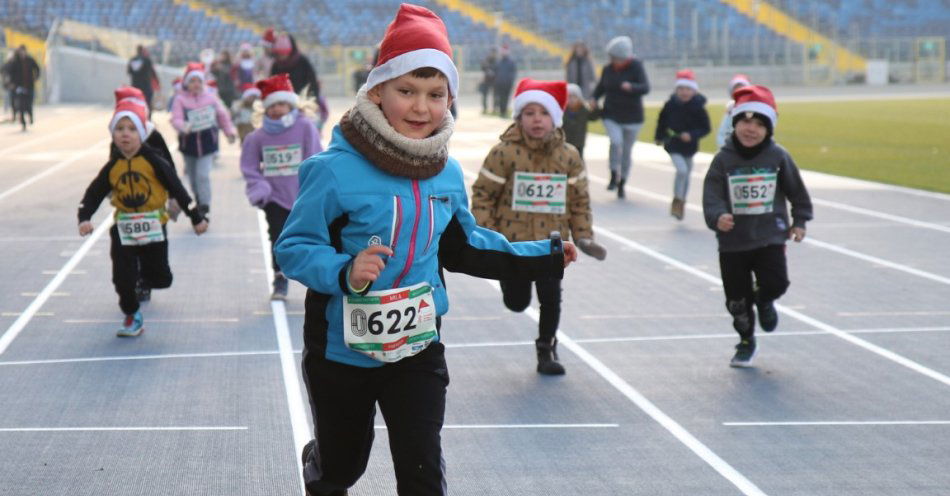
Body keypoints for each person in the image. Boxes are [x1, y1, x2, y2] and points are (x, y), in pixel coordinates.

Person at [273, 5, 576, 494]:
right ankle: (324, 463)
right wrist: (345, 270)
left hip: (417, 345)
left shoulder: (447, 172)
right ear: (377, 90)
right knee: (343, 468)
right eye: (407, 91)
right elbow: (294, 247)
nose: (421, 108)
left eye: (436, 95)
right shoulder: (332, 170)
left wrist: (542, 257)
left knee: (421, 472)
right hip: (341, 349)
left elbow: (463, 247)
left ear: (451, 98)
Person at [471, 78, 606, 375]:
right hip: (514, 242)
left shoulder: (569, 156)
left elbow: (579, 200)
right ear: (519, 118)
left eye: (543, 113)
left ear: (555, 118)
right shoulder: (503, 153)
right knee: (517, 302)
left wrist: (583, 236)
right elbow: (483, 195)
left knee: (551, 297)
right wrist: (487, 234)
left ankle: (546, 348)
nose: (536, 119)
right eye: (529, 113)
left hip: (551, 242)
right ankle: (512, 287)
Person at [77, 95, 208, 337]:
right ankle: (132, 313)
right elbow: (94, 192)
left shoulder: (154, 161)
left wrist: (196, 216)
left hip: (154, 225)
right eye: (119, 129)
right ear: (113, 135)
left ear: (141, 134)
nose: (125, 134)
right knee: (122, 277)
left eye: (131, 129)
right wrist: (84, 217)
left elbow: (177, 188)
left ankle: (147, 278)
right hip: (124, 226)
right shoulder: (112, 166)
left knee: (160, 277)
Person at [702, 85, 813, 368]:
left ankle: (764, 300)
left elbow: (797, 192)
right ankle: (746, 340)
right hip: (733, 241)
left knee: (776, 283)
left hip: (770, 236)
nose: (751, 129)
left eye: (759, 125)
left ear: (768, 129)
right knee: (737, 302)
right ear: (735, 124)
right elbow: (711, 195)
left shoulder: (778, 157)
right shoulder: (723, 160)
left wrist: (799, 221)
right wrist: (718, 217)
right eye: (745, 122)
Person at [240, 73, 321, 300]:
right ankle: (280, 278)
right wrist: (260, 187)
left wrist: (314, 188)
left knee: (309, 238)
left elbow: (315, 157)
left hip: (301, 197)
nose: (277, 110)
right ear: (264, 108)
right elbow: (249, 166)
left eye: (281, 104)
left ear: (291, 104)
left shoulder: (305, 127)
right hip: (274, 198)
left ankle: (314, 277)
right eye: (272, 105)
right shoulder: (258, 137)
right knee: (277, 238)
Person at [170, 62, 237, 217]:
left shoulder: (211, 98)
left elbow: (222, 116)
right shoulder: (180, 100)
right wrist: (183, 126)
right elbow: (175, 119)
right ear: (187, 83)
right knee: (193, 178)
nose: (196, 84)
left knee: (203, 175)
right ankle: (199, 199)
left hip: (207, 143)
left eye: (199, 81)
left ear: (203, 82)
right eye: (192, 81)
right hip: (189, 144)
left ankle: (205, 205)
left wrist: (229, 132)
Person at [591, 35, 650, 199]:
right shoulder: (608, 69)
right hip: (612, 113)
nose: (613, 61)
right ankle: (613, 172)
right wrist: (594, 98)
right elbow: (601, 87)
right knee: (615, 142)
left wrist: (631, 87)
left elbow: (645, 87)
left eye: (616, 58)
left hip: (633, 117)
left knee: (627, 151)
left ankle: (623, 181)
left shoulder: (637, 67)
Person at [654, 69, 710, 220]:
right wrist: (659, 137)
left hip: (690, 147)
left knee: (687, 174)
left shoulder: (698, 107)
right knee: (682, 170)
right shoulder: (670, 105)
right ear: (676, 90)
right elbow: (661, 122)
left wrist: (691, 135)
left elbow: (706, 128)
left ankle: (682, 201)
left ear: (693, 90)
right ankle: (677, 200)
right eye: (681, 89)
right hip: (673, 144)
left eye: (688, 89)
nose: (684, 92)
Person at [271, 33, 320, 103]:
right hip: (283, 104)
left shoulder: (302, 61)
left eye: (283, 53)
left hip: (303, 101)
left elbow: (312, 83)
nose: (281, 57)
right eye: (279, 54)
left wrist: (313, 100)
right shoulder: (276, 65)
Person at [3, 45, 41, 131]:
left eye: (23, 51)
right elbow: (6, 70)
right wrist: (10, 83)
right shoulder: (14, 61)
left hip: (29, 86)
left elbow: (37, 68)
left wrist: (36, 77)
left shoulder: (30, 60)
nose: (22, 53)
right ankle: (23, 123)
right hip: (19, 87)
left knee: (29, 103)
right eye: (20, 51)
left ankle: (30, 115)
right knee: (20, 105)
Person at [562, 83, 600, 160]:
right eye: (569, 97)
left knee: (578, 160)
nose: (572, 100)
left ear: (579, 98)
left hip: (579, 142)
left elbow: (593, 117)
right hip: (565, 142)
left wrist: (595, 108)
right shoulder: (562, 111)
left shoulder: (583, 110)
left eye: (574, 97)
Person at [716, 74, 751, 147]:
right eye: (736, 90)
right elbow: (722, 133)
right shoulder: (730, 111)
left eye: (742, 90)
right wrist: (724, 149)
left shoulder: (754, 110)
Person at [127, 45, 158, 113]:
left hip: (135, 85)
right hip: (146, 85)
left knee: (135, 103)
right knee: (148, 103)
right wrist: (157, 82)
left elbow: (129, 72)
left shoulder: (132, 59)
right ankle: (148, 119)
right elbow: (152, 72)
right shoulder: (147, 60)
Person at [492, 44, 517, 116]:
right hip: (499, 83)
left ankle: (504, 111)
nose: (504, 52)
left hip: (507, 84)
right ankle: (501, 111)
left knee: (506, 97)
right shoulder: (498, 62)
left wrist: (510, 81)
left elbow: (513, 73)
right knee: (500, 97)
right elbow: (495, 71)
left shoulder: (511, 62)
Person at [478, 47, 496, 113]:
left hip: (494, 81)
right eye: (492, 52)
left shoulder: (497, 61)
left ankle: (494, 108)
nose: (493, 54)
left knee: (495, 96)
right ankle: (485, 108)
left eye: (494, 53)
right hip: (486, 80)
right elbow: (482, 68)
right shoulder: (486, 60)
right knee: (484, 95)